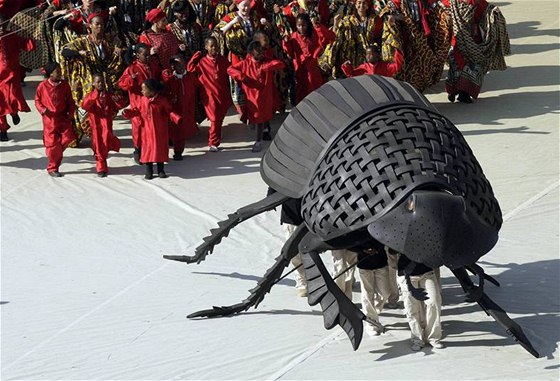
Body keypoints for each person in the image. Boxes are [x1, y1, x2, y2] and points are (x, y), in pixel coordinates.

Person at [61, 12, 125, 144]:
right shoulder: (82, 42)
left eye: (101, 24)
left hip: (104, 81)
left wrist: (119, 51)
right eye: (97, 24)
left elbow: (120, 51)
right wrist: (78, 53)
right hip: (88, 81)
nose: (100, 27)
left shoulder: (109, 42)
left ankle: (101, 136)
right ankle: (76, 135)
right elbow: (64, 51)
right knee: (84, 108)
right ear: (90, 26)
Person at [446, 0, 511, 103]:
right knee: (468, 66)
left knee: (456, 66)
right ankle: (463, 92)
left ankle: (455, 91)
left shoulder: (452, 2)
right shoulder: (475, 2)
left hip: (458, 39)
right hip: (471, 39)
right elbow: (485, 10)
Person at [227, 41, 285, 153]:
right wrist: (242, 76)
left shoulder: (265, 62)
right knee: (253, 117)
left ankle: (258, 141)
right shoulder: (245, 63)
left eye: (261, 51)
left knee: (260, 118)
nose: (261, 53)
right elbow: (230, 69)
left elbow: (280, 64)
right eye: (258, 51)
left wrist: (266, 68)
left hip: (263, 96)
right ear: (251, 52)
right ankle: (252, 124)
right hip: (250, 97)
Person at [124, 79, 181, 180]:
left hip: (160, 130)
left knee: (160, 150)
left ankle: (161, 169)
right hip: (146, 131)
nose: (142, 91)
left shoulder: (162, 101)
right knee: (147, 150)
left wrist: (176, 118)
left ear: (152, 90)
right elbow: (136, 111)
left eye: (144, 89)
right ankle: (148, 170)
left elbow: (169, 111)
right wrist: (127, 113)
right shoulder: (142, 100)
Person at [118, 43, 160, 163]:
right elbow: (121, 83)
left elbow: (158, 77)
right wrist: (132, 79)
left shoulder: (153, 65)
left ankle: (151, 151)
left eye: (149, 55)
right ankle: (138, 149)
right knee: (138, 128)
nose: (147, 57)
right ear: (137, 55)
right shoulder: (132, 68)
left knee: (151, 128)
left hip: (152, 103)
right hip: (138, 104)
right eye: (145, 55)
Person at [189, 37, 232, 152]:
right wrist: (193, 59)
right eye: (211, 46)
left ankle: (216, 134)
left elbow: (231, 70)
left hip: (222, 94)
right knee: (214, 118)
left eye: (216, 46)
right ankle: (213, 142)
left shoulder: (222, 60)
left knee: (219, 118)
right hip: (209, 96)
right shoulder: (202, 62)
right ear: (206, 47)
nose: (214, 48)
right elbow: (191, 70)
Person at [34, 62, 77, 177]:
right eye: (57, 71)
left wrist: (71, 113)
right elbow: (37, 100)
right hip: (50, 120)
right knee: (53, 145)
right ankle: (53, 167)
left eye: (60, 70)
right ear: (50, 74)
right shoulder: (42, 86)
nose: (60, 73)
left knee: (68, 137)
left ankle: (55, 154)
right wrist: (43, 110)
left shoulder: (64, 85)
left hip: (63, 118)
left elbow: (70, 101)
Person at [81, 73, 126, 177]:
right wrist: (94, 96)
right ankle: (101, 167)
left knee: (105, 143)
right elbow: (84, 105)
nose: (101, 84)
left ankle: (102, 163)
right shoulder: (91, 95)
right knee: (98, 145)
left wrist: (118, 100)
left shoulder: (109, 95)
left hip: (107, 124)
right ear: (93, 83)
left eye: (102, 82)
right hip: (96, 124)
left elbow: (119, 105)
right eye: (98, 82)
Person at [397, 253, 444, 351]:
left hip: (427, 272)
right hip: (406, 274)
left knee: (434, 303)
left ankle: (433, 337)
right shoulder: (400, 239)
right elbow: (392, 251)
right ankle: (417, 339)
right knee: (412, 308)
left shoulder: (428, 238)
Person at [0, 13, 35, 141]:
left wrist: (34, 38)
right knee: (0, 104)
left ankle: (14, 113)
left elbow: (25, 45)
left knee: (13, 98)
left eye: (3, 26)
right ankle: (3, 130)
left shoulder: (12, 36)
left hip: (12, 74)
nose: (1, 29)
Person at [282, 13, 325, 105]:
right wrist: (286, 42)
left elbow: (320, 45)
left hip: (312, 65)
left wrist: (315, 56)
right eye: (299, 25)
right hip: (300, 66)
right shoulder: (294, 36)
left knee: (314, 85)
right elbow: (289, 52)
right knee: (301, 88)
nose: (301, 28)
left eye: (303, 25)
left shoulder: (313, 34)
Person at [162, 54, 198, 161]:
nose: (181, 66)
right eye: (177, 64)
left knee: (181, 133)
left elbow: (197, 88)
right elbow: (165, 93)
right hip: (173, 111)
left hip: (187, 109)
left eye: (182, 63)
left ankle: (178, 152)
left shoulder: (190, 77)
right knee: (171, 131)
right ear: (173, 66)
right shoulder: (170, 80)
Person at [354, 241, 391, 336]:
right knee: (367, 294)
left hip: (381, 262)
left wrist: (377, 248)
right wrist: (362, 250)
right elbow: (350, 244)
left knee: (385, 292)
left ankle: (375, 310)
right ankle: (371, 323)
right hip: (364, 264)